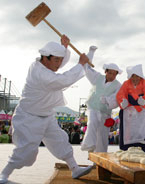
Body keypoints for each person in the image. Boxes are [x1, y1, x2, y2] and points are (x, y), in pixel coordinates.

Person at [0, 35, 93, 184]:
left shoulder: (45, 66)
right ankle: (3, 175)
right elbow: (63, 80)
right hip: (29, 117)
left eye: (60, 60)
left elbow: (59, 67)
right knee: (26, 151)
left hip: (47, 115)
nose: (59, 64)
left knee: (60, 140)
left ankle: (75, 168)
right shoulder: (40, 73)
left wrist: (64, 48)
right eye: (56, 60)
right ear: (45, 58)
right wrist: (81, 64)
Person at [81, 46, 122, 153]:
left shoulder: (118, 85)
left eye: (115, 74)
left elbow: (117, 98)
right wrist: (91, 52)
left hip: (105, 112)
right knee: (92, 122)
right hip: (93, 107)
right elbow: (87, 68)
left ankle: (101, 159)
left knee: (102, 137)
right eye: (110, 73)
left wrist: (108, 100)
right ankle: (88, 144)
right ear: (106, 72)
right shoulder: (97, 77)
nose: (112, 75)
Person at [116, 64, 145, 154]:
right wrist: (122, 102)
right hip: (129, 115)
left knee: (143, 133)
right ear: (130, 76)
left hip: (142, 114)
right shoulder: (126, 84)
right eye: (133, 76)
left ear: (140, 76)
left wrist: (144, 100)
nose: (135, 78)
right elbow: (120, 95)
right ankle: (126, 152)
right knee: (128, 135)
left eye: (137, 76)